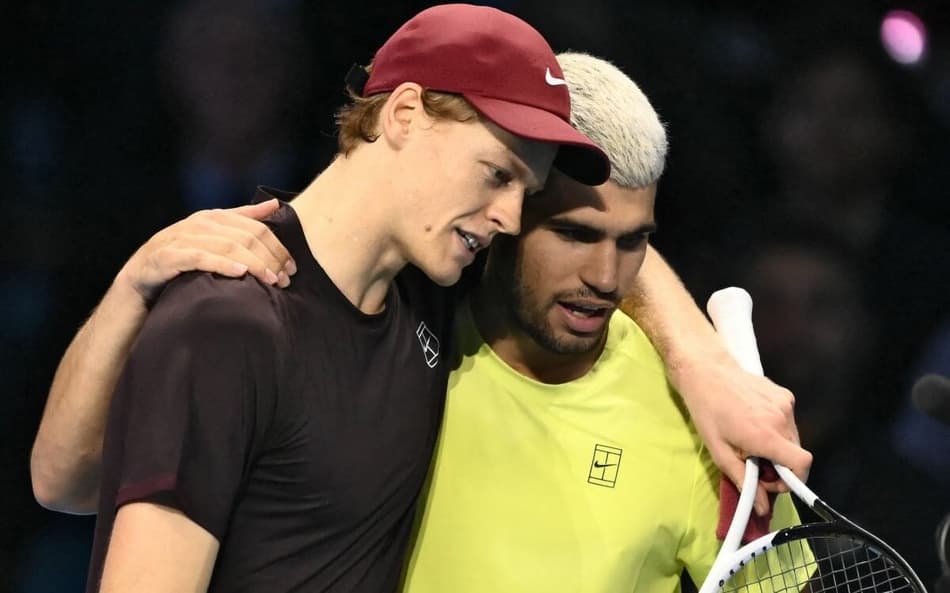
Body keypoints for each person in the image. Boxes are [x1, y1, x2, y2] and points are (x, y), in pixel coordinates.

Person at [48, 5, 615, 592]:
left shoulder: (429, 291)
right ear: (403, 115)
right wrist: (132, 285)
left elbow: (616, 243)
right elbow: (66, 485)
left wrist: (699, 362)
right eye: (497, 174)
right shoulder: (228, 320)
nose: (512, 218)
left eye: (529, 191)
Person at [400, 51, 804, 592]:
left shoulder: (716, 423)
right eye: (576, 234)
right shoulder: (396, 337)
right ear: (506, 208)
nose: (608, 278)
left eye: (634, 240)